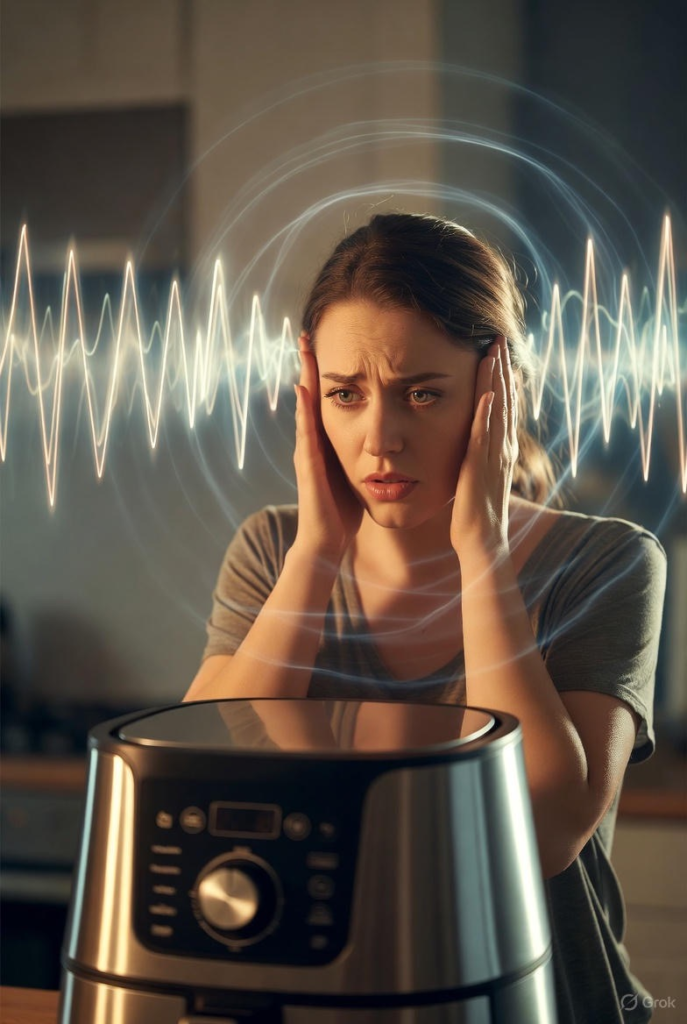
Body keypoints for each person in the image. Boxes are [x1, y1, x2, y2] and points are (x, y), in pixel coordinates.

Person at [182, 212, 666, 1023]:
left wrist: (480, 549)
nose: (379, 439)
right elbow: (196, 774)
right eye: (345, 394)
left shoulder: (606, 565)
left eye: (421, 394)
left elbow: (544, 834)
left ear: (495, 392)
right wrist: (317, 552)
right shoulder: (273, 551)